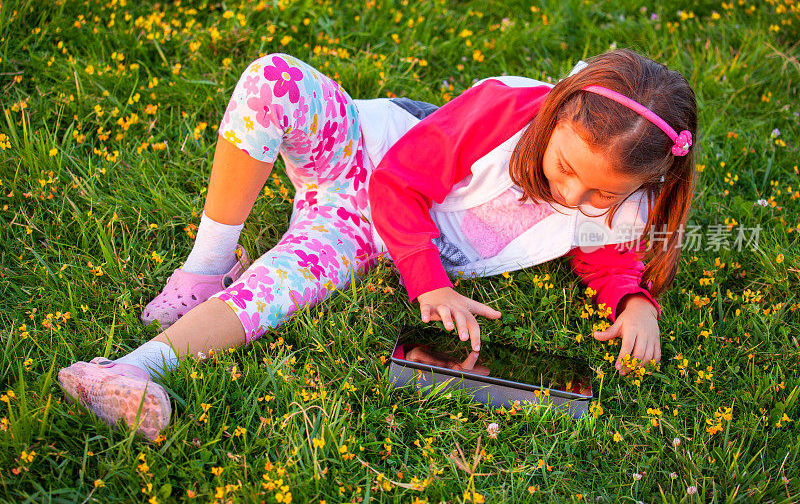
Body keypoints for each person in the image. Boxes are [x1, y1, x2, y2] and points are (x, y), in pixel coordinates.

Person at [57, 49, 697, 440]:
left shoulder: (618, 198)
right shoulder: (505, 111)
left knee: (279, 290)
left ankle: (134, 371)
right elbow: (398, 182)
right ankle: (205, 266)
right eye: (564, 170)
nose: (574, 196)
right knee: (273, 80)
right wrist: (431, 282)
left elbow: (601, 248)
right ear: (556, 112)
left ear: (652, 180)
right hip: (367, 154)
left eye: (600, 195)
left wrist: (633, 298)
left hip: (362, 234)